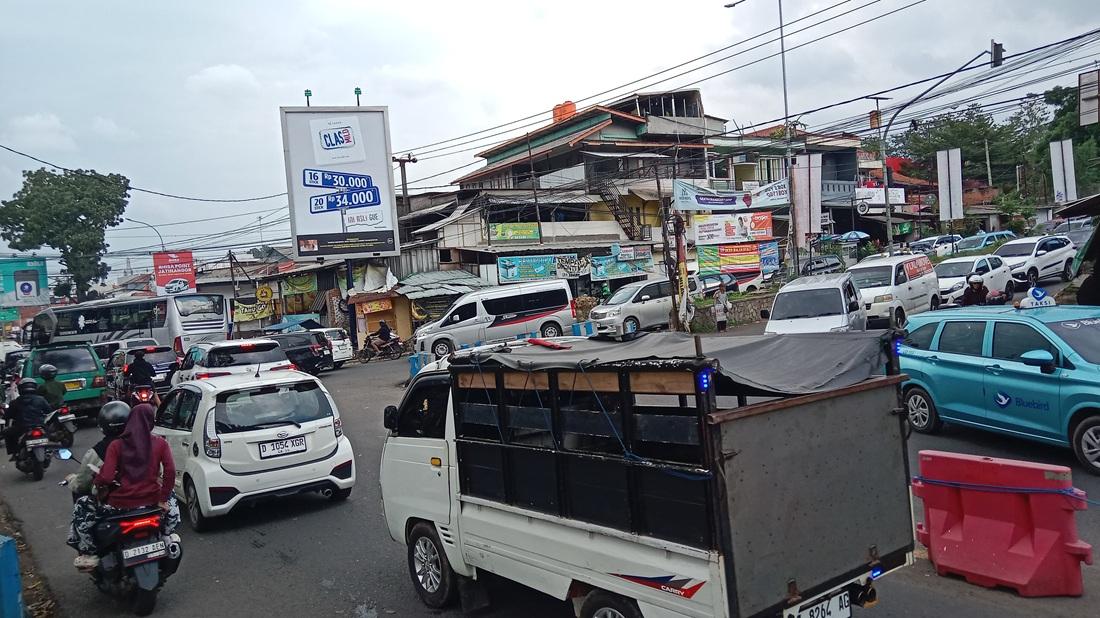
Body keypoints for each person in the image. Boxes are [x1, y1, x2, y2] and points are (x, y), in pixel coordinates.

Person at [68, 403, 179, 570]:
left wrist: (98, 482)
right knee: (173, 499)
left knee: (82, 506)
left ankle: (89, 553)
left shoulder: (116, 445)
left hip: (120, 506)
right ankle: (168, 536)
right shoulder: (160, 443)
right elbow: (170, 472)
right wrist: (162, 499)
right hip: (152, 503)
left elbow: (106, 477)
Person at [3, 381, 50, 458]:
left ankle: (14, 452)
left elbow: (7, 416)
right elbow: (48, 410)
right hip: (40, 425)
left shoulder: (15, 402)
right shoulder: (41, 399)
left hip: (21, 427)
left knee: (6, 432)